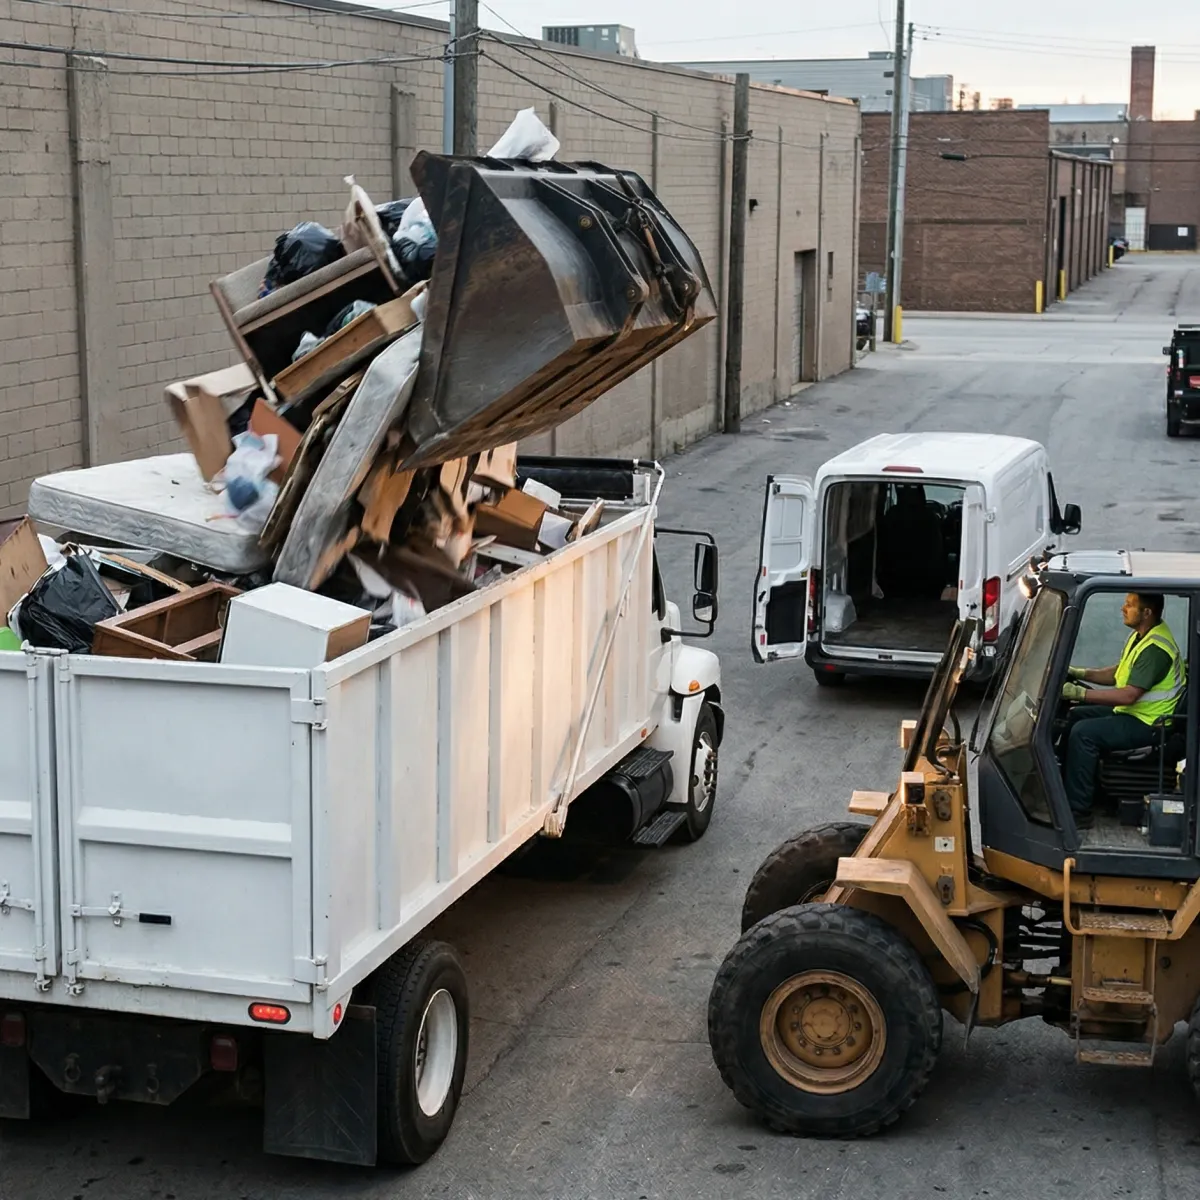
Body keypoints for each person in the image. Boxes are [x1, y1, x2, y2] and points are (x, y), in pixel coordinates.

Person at [1061, 592, 1186, 829]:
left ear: (1146, 613)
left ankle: (1078, 811)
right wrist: (1080, 673)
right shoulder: (1142, 636)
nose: (1123, 608)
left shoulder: (1156, 649)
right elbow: (1119, 673)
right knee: (1076, 715)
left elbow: (1128, 695)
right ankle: (1064, 788)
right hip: (1136, 714)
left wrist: (1081, 693)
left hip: (1150, 724)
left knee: (1083, 734)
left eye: (1129, 605)